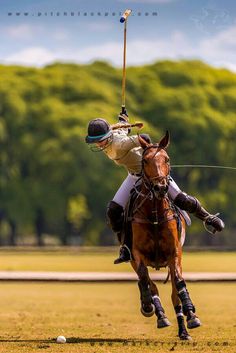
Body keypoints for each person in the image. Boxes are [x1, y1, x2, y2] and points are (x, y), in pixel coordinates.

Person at [85, 114, 225, 264]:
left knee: (181, 199)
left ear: (108, 136)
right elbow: (122, 131)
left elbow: (144, 136)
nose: (98, 144)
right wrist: (124, 121)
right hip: (133, 176)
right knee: (113, 210)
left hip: (153, 175)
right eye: (95, 142)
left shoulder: (120, 144)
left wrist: (152, 161)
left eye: (100, 140)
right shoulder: (113, 138)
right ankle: (126, 247)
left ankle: (208, 217)